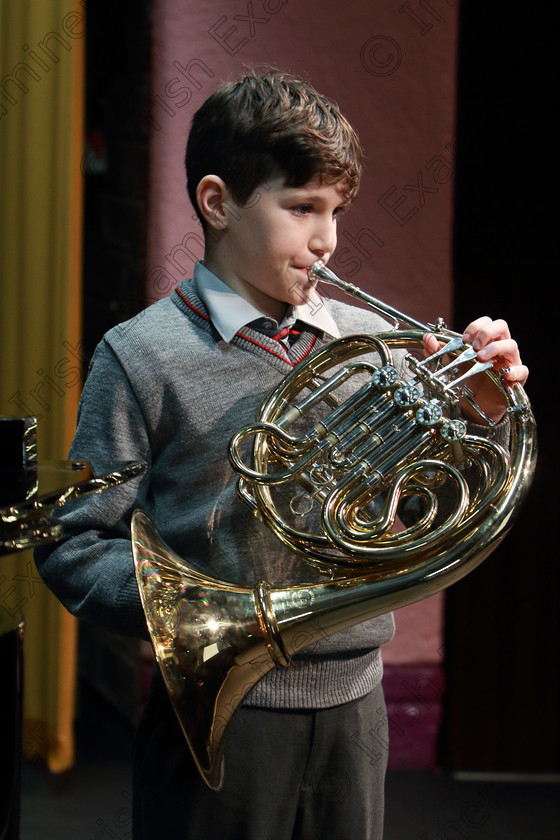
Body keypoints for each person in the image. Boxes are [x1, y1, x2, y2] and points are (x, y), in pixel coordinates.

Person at [35, 69, 528, 839]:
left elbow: (444, 489)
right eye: (300, 208)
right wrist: (197, 619)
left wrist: (485, 413)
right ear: (217, 202)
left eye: (336, 210)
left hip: (356, 705)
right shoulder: (141, 356)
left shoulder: (370, 344)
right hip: (222, 712)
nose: (326, 239)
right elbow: (76, 543)